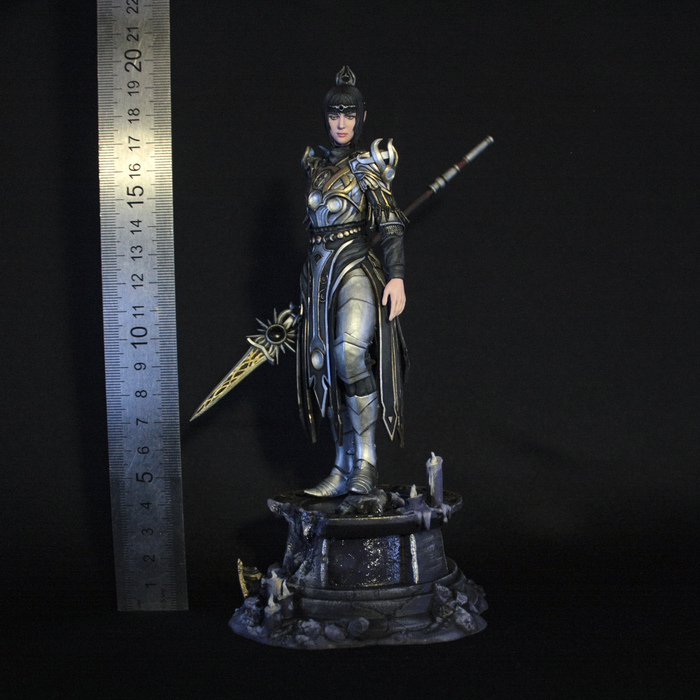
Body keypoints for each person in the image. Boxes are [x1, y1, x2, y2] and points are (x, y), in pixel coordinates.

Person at [298, 66, 408, 497]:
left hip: (355, 266)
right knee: (324, 367)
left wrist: (396, 277)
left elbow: (390, 222)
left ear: (361, 117)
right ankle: (341, 466)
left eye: (348, 115)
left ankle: (366, 462)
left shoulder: (366, 166)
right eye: (334, 115)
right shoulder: (314, 164)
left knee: (348, 354)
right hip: (319, 274)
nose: (341, 123)